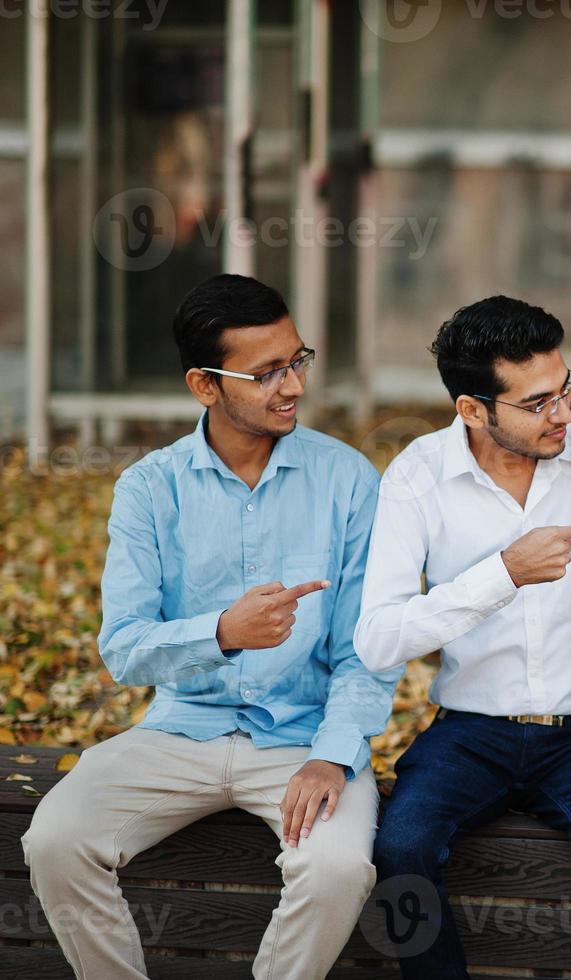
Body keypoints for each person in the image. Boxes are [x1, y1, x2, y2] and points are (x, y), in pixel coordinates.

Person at [21, 274, 399, 980]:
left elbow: (366, 649)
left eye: (298, 360)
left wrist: (333, 754)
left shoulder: (348, 480)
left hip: (302, 737)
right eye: (265, 373)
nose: (292, 386)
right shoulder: (148, 488)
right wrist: (222, 632)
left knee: (339, 866)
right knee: (55, 839)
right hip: (178, 731)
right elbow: (124, 650)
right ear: (205, 385)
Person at [357, 296, 571, 980]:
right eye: (537, 403)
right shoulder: (418, 474)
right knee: (400, 848)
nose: (562, 414)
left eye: (566, 388)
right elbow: (377, 639)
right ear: (472, 410)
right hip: (470, 729)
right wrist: (501, 574)